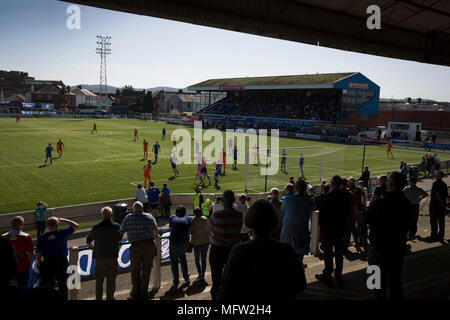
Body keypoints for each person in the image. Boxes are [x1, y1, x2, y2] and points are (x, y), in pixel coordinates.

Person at [217, 199, 306, 300]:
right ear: (273, 220)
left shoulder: (239, 251)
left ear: (249, 221)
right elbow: (300, 284)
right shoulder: (286, 250)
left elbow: (226, 292)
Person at [363, 172, 412, 300]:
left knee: (376, 286)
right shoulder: (407, 204)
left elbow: (364, 220)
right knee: (395, 284)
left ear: (389, 184)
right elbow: (410, 226)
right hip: (397, 250)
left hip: (377, 251)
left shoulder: (380, 202)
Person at [207, 190, 243, 300]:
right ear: (233, 200)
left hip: (217, 249)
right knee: (232, 278)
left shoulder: (216, 215)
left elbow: (207, 228)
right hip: (233, 249)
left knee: (216, 280)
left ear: (222, 201)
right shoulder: (239, 215)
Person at [120, 201, 159, 299]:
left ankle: (135, 292)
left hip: (136, 247)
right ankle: (143, 292)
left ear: (133, 209)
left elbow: (121, 231)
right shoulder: (149, 217)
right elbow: (156, 231)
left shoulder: (128, 218)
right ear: (142, 208)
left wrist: (119, 240)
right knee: (146, 271)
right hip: (149, 245)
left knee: (135, 270)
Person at [315, 175, 349, 282]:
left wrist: (321, 227)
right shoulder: (344, 196)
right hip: (339, 228)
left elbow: (323, 214)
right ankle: (338, 273)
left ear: (333, 183)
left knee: (328, 253)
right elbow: (345, 213)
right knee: (339, 252)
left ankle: (327, 274)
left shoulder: (329, 196)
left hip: (329, 230)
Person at [36, 216, 80, 299]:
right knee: (62, 283)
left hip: (48, 262)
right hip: (61, 262)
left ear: (47, 225)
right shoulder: (62, 232)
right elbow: (76, 225)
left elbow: (38, 253)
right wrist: (64, 219)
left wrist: (40, 263)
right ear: (57, 225)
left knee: (49, 285)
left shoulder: (42, 237)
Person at [86, 207, 123, 300]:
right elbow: (119, 238)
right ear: (111, 215)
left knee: (99, 280)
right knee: (111, 280)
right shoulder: (116, 226)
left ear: (102, 216)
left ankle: (98, 298)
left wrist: (93, 248)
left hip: (100, 258)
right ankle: (110, 298)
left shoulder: (96, 227)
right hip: (112, 257)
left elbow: (88, 240)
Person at [280, 179, 314, 264]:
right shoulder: (309, 201)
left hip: (289, 233)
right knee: (299, 260)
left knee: (287, 259)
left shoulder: (288, 199)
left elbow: (283, 211)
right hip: (302, 233)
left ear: (295, 187)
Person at [2, 216, 34, 287]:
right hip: (23, 268)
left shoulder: (4, 236)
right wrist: (30, 267)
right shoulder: (26, 237)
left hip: (7, 270)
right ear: (21, 225)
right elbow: (30, 255)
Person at [168, 206, 191, 289]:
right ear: (184, 212)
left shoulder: (172, 217)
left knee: (174, 263)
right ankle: (186, 278)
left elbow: (171, 227)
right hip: (184, 243)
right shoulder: (188, 218)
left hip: (174, 243)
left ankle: (176, 281)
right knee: (183, 259)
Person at [189, 207, 211, 282]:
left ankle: (200, 274)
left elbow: (190, 231)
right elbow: (209, 228)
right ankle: (203, 274)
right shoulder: (205, 219)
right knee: (203, 259)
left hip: (197, 242)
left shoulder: (193, 220)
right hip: (205, 241)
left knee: (197, 259)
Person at [429, 171, 448, 241]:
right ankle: (441, 235)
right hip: (441, 205)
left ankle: (434, 235)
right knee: (441, 220)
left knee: (433, 220)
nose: (435, 175)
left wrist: (440, 202)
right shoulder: (444, 184)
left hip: (435, 205)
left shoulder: (435, 183)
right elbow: (446, 195)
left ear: (439, 176)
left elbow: (437, 194)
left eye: (436, 174)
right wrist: (443, 203)